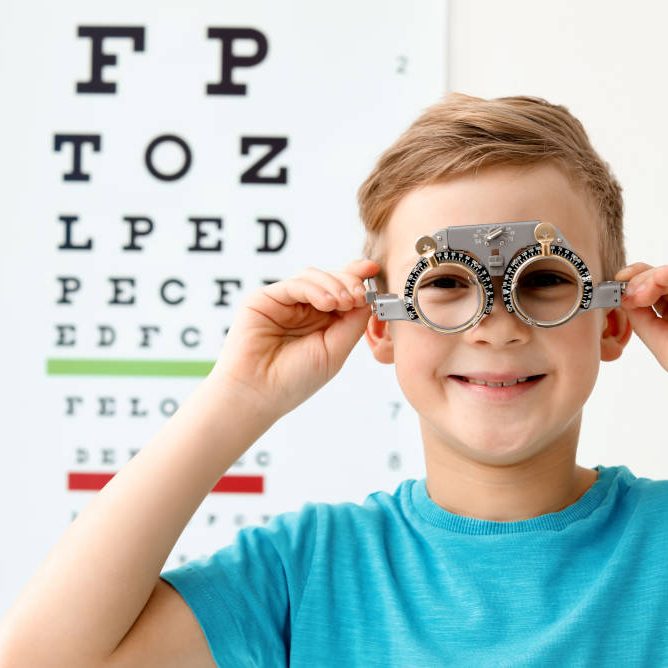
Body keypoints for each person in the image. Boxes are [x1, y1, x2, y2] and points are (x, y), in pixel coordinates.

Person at [1, 93, 667, 668]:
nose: (494, 326)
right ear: (382, 322)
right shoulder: (307, 573)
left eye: (543, 280)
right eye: (445, 283)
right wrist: (238, 398)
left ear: (611, 320)